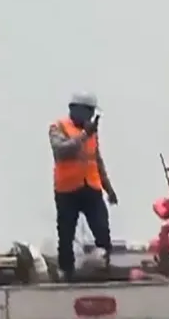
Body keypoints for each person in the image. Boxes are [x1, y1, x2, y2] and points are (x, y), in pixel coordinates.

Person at [48, 92, 118, 280]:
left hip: (91, 189)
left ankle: (104, 268)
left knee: (102, 229)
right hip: (67, 190)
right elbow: (61, 150)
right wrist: (84, 135)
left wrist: (108, 188)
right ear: (75, 109)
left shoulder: (91, 133)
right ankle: (66, 273)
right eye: (88, 112)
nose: (90, 117)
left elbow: (97, 160)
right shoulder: (58, 127)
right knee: (66, 234)